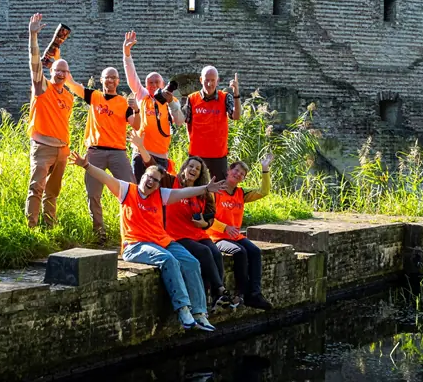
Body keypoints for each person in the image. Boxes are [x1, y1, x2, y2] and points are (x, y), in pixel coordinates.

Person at [68, 150, 223, 331]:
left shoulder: (161, 195)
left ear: (158, 185)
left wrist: (205, 189)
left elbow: (185, 192)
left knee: (192, 262)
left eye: (156, 180)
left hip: (161, 241)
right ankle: (183, 309)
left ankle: (199, 313)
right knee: (169, 260)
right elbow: (105, 178)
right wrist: (86, 165)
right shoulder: (127, 190)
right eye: (149, 177)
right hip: (136, 245)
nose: (151, 181)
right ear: (142, 177)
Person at [130, 131, 238, 310]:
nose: (193, 170)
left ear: (199, 175)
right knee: (203, 253)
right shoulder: (170, 183)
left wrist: (204, 224)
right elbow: (153, 166)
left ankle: (216, 297)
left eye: (197, 169)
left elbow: (210, 217)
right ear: (184, 168)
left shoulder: (202, 192)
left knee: (215, 253)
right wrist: (141, 147)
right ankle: (220, 291)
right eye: (191, 166)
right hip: (176, 235)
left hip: (197, 233)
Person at [65, 66, 140, 244]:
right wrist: (58, 58)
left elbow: (135, 125)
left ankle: (133, 231)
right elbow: (72, 84)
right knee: (93, 194)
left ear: (118, 81)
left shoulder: (123, 102)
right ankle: (99, 233)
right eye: (107, 77)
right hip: (95, 152)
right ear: (101, 80)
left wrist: (137, 110)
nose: (110, 81)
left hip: (118, 153)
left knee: (131, 190)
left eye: (114, 78)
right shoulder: (94, 96)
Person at [24, 13, 74, 229]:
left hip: (62, 150)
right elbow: (35, 63)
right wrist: (33, 35)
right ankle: (32, 228)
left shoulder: (69, 96)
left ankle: (49, 227)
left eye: (64, 71)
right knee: (36, 188)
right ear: (50, 71)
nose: (61, 74)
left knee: (53, 192)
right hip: (43, 147)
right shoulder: (42, 88)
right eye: (57, 70)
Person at [208, 154, 275, 310]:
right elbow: (208, 218)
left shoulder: (241, 194)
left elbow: (264, 191)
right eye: (236, 170)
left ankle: (255, 294)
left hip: (235, 236)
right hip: (216, 237)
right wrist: (224, 227)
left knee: (255, 251)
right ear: (228, 171)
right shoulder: (215, 191)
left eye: (242, 174)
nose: (238, 174)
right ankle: (240, 293)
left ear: (243, 179)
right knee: (240, 252)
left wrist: (265, 169)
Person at [122, 31, 185, 182]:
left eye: (157, 82)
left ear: (163, 85)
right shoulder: (143, 96)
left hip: (160, 154)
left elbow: (180, 121)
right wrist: (126, 53)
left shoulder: (172, 100)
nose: (154, 85)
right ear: (146, 85)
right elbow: (132, 76)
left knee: (158, 191)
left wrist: (170, 102)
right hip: (140, 150)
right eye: (151, 83)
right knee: (137, 187)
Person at [183, 66, 242, 181]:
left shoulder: (225, 97)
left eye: (213, 80)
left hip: (218, 155)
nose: (209, 84)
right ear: (201, 80)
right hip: (197, 154)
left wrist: (236, 94)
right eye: (206, 80)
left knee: (218, 190)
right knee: (195, 188)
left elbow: (236, 116)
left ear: (218, 80)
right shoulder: (192, 99)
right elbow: (186, 121)